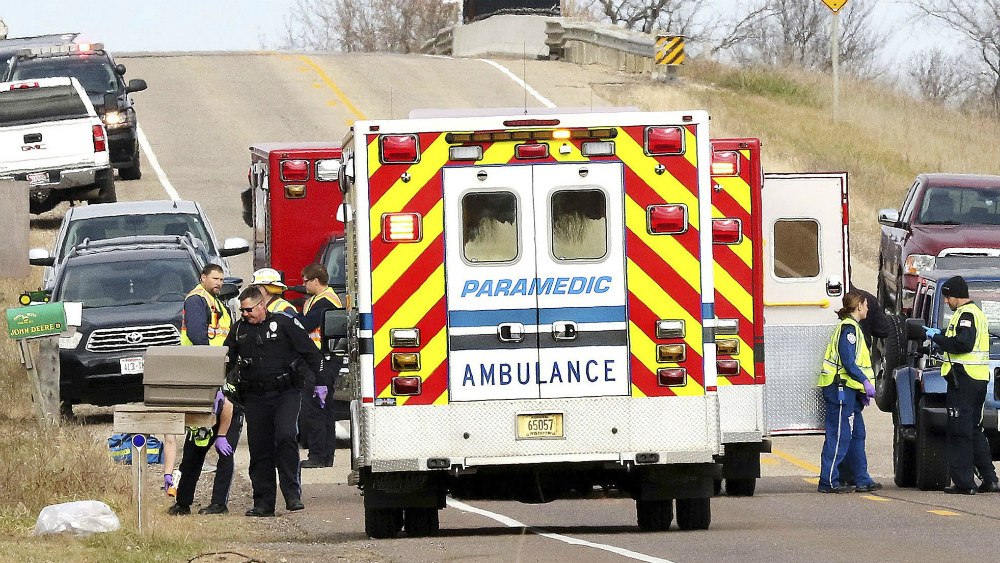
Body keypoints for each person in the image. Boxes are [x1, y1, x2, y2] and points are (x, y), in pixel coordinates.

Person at [225, 286, 325, 517]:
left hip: (285, 393)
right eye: (242, 310)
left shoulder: (283, 323)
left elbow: (311, 353)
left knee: (286, 436)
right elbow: (227, 361)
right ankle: (263, 502)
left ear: (262, 306)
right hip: (254, 396)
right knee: (260, 449)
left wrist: (320, 383)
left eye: (249, 309)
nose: (245, 314)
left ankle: (292, 495)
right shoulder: (239, 330)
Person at [164, 263, 244, 514]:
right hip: (204, 378)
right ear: (203, 278)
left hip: (222, 375)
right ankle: (183, 501)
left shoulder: (217, 302)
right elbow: (199, 339)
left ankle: (218, 503)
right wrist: (212, 380)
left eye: (222, 279)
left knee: (225, 446)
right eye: (215, 279)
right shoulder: (198, 300)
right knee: (196, 445)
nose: (219, 283)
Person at [925, 275, 1000, 494]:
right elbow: (962, 338)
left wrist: (937, 339)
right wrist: (942, 333)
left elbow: (963, 344)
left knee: (959, 431)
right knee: (975, 430)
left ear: (957, 296)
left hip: (964, 381)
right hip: (976, 380)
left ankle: (964, 483)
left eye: (948, 297)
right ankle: (990, 479)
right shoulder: (976, 313)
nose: (946, 302)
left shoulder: (966, 314)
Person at [816, 292, 881, 494]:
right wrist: (864, 382)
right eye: (866, 305)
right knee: (840, 435)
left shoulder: (854, 328)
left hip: (850, 391)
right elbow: (848, 362)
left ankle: (861, 478)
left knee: (857, 434)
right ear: (859, 306)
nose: (868, 309)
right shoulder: (848, 330)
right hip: (840, 389)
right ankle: (828, 481)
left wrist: (862, 390)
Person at [165, 391, 241, 515]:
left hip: (227, 413)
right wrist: (167, 473)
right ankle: (182, 504)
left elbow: (228, 406)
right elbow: (170, 442)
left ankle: (219, 504)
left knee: (225, 456)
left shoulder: (203, 394)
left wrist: (221, 435)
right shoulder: (170, 409)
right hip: (202, 421)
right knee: (190, 457)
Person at [298, 263, 343, 468]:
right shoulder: (320, 299)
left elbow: (306, 325)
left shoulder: (325, 301)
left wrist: (292, 317)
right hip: (324, 360)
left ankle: (318, 456)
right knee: (324, 408)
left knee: (317, 408)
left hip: (322, 363)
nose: (303, 285)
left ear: (315, 281)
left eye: (305, 281)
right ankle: (325, 456)